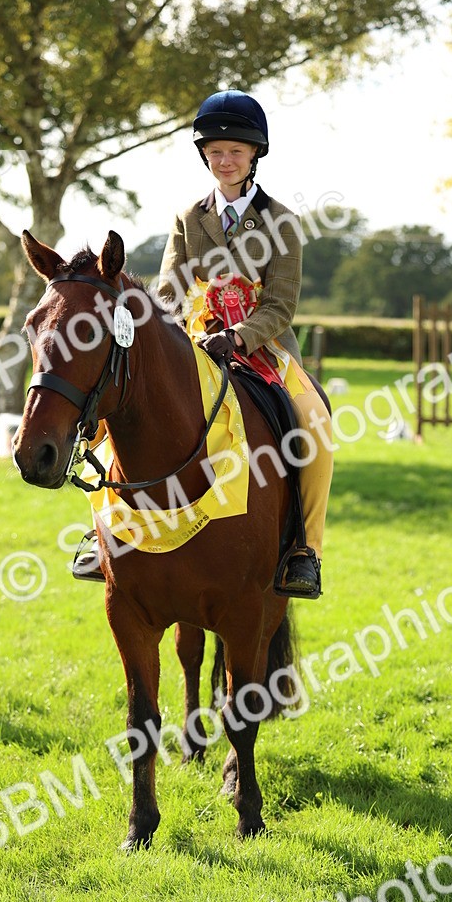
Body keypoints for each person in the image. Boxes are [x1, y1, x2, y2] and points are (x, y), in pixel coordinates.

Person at [156, 89, 334, 599]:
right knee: (124, 399)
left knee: (314, 423)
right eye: (215, 152)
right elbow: (170, 285)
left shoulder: (280, 220)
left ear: (255, 154)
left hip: (262, 347)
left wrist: (237, 335)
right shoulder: (188, 218)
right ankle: (107, 531)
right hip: (195, 342)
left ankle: (305, 549)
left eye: (235, 151)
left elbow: (281, 305)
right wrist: (162, 321)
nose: (224, 161)